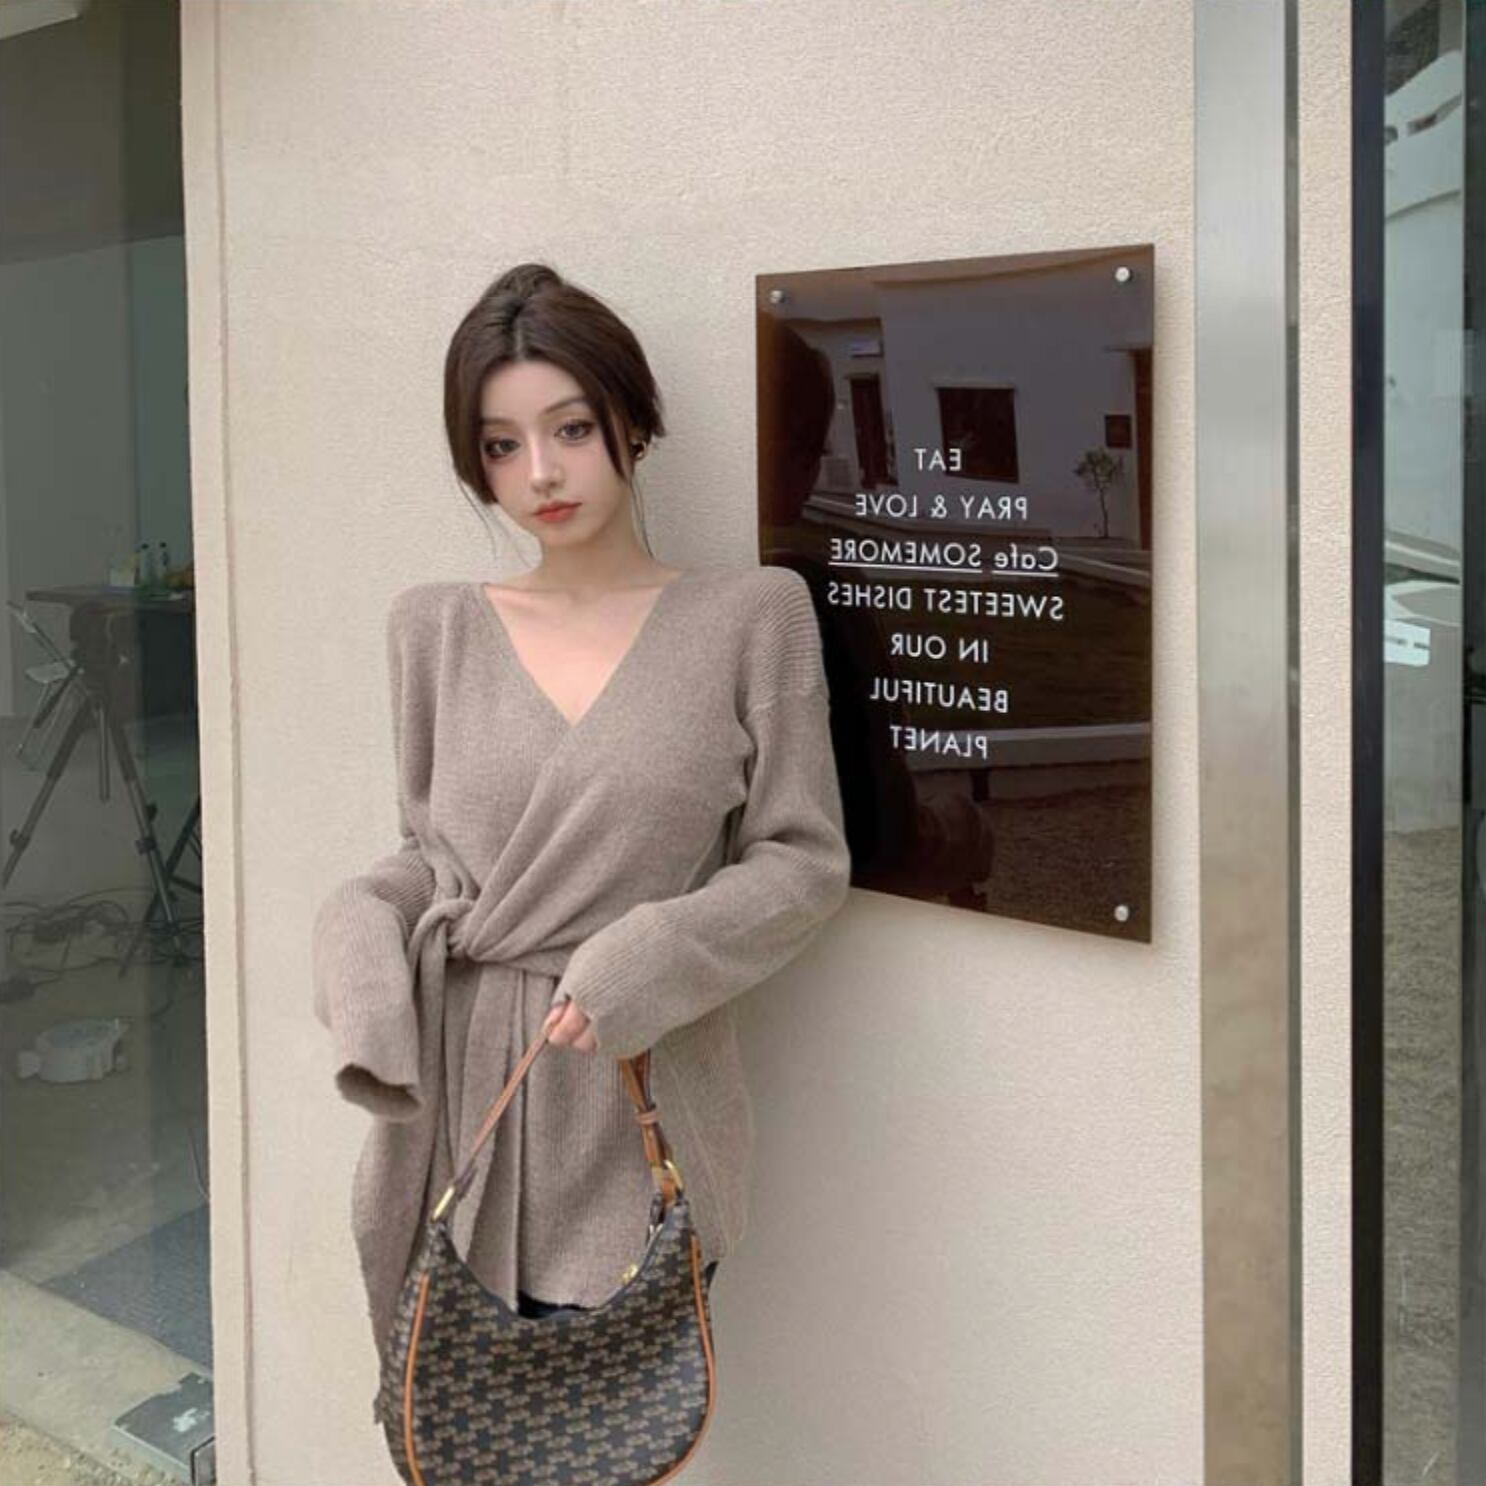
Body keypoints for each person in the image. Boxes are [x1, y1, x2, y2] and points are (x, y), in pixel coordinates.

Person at [311, 263, 853, 1403]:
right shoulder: (434, 629)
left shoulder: (750, 618)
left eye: (570, 429)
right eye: (501, 446)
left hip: (634, 1105)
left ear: (632, 423)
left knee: (615, 1442)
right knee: (459, 1435)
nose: (542, 474)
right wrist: (360, 921)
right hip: (461, 1108)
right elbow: (430, 854)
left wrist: (651, 956)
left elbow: (803, 862)